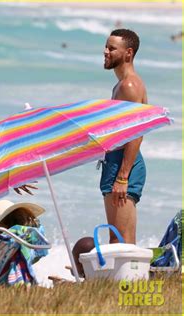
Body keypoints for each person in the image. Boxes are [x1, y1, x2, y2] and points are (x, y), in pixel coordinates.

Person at [101, 29, 147, 244]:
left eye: (111, 48)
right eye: (106, 46)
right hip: (116, 162)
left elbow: (136, 133)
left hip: (123, 165)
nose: (105, 51)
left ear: (128, 53)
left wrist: (122, 177)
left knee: (120, 240)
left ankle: (129, 279)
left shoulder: (129, 85)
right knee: (117, 238)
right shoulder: (120, 84)